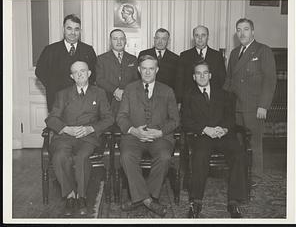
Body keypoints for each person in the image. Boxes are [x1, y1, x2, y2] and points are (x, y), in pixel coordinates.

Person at [45, 60, 114, 217]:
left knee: (82, 157)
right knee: (60, 156)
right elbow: (52, 119)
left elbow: (109, 118)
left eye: (83, 70)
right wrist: (66, 129)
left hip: (88, 137)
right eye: (76, 72)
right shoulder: (62, 94)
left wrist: (90, 128)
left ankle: (81, 197)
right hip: (65, 136)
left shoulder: (99, 93)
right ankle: (70, 196)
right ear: (72, 76)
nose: (80, 74)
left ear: (89, 73)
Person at [182, 60, 247, 218]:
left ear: (210, 75)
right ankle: (196, 201)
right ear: (193, 76)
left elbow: (230, 117)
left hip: (223, 134)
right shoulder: (188, 96)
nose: (202, 76)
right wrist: (205, 129)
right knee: (199, 156)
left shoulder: (223, 94)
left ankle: (234, 202)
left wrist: (224, 129)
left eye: (205, 73)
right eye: (198, 73)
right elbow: (186, 120)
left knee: (238, 155)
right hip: (203, 135)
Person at [116, 55, 180, 217]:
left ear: (157, 70)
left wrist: (160, 132)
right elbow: (121, 117)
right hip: (134, 137)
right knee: (126, 155)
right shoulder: (130, 89)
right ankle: (149, 201)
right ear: (139, 69)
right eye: (144, 68)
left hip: (159, 137)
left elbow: (175, 120)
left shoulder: (167, 91)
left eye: (151, 68)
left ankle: (141, 198)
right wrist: (133, 130)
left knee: (165, 156)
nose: (147, 72)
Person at [223, 18, 277, 185]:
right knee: (237, 144)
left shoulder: (263, 50)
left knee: (255, 144)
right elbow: (229, 80)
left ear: (253, 31)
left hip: (254, 107)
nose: (242, 33)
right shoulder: (234, 53)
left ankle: (256, 177)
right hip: (236, 107)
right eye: (239, 30)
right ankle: (240, 175)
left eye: (245, 29)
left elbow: (270, 80)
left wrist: (263, 106)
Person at [35, 14, 97, 112]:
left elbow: (94, 74)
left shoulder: (88, 50)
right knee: (57, 127)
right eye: (69, 28)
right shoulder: (50, 50)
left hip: (82, 102)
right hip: (57, 101)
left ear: (80, 31)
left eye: (76, 29)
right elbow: (39, 71)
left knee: (81, 127)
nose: (73, 32)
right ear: (63, 29)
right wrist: (53, 87)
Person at [176, 25, 226, 106]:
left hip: (213, 101)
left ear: (207, 37)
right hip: (190, 101)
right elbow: (180, 81)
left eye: (203, 35)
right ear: (193, 37)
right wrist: (179, 101)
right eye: (197, 35)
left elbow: (222, 80)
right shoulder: (184, 56)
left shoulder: (217, 56)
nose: (200, 38)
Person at [96, 29, 139, 117]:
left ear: (125, 41)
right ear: (110, 41)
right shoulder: (101, 59)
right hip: (108, 101)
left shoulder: (133, 59)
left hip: (128, 101)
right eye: (115, 39)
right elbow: (99, 79)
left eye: (121, 39)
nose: (119, 42)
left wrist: (125, 93)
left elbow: (136, 80)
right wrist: (116, 91)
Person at [138, 28, 179, 100]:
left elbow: (178, 81)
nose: (160, 41)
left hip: (166, 97)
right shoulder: (144, 54)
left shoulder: (175, 58)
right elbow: (138, 76)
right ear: (154, 39)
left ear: (168, 41)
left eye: (163, 39)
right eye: (157, 38)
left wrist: (177, 100)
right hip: (146, 95)